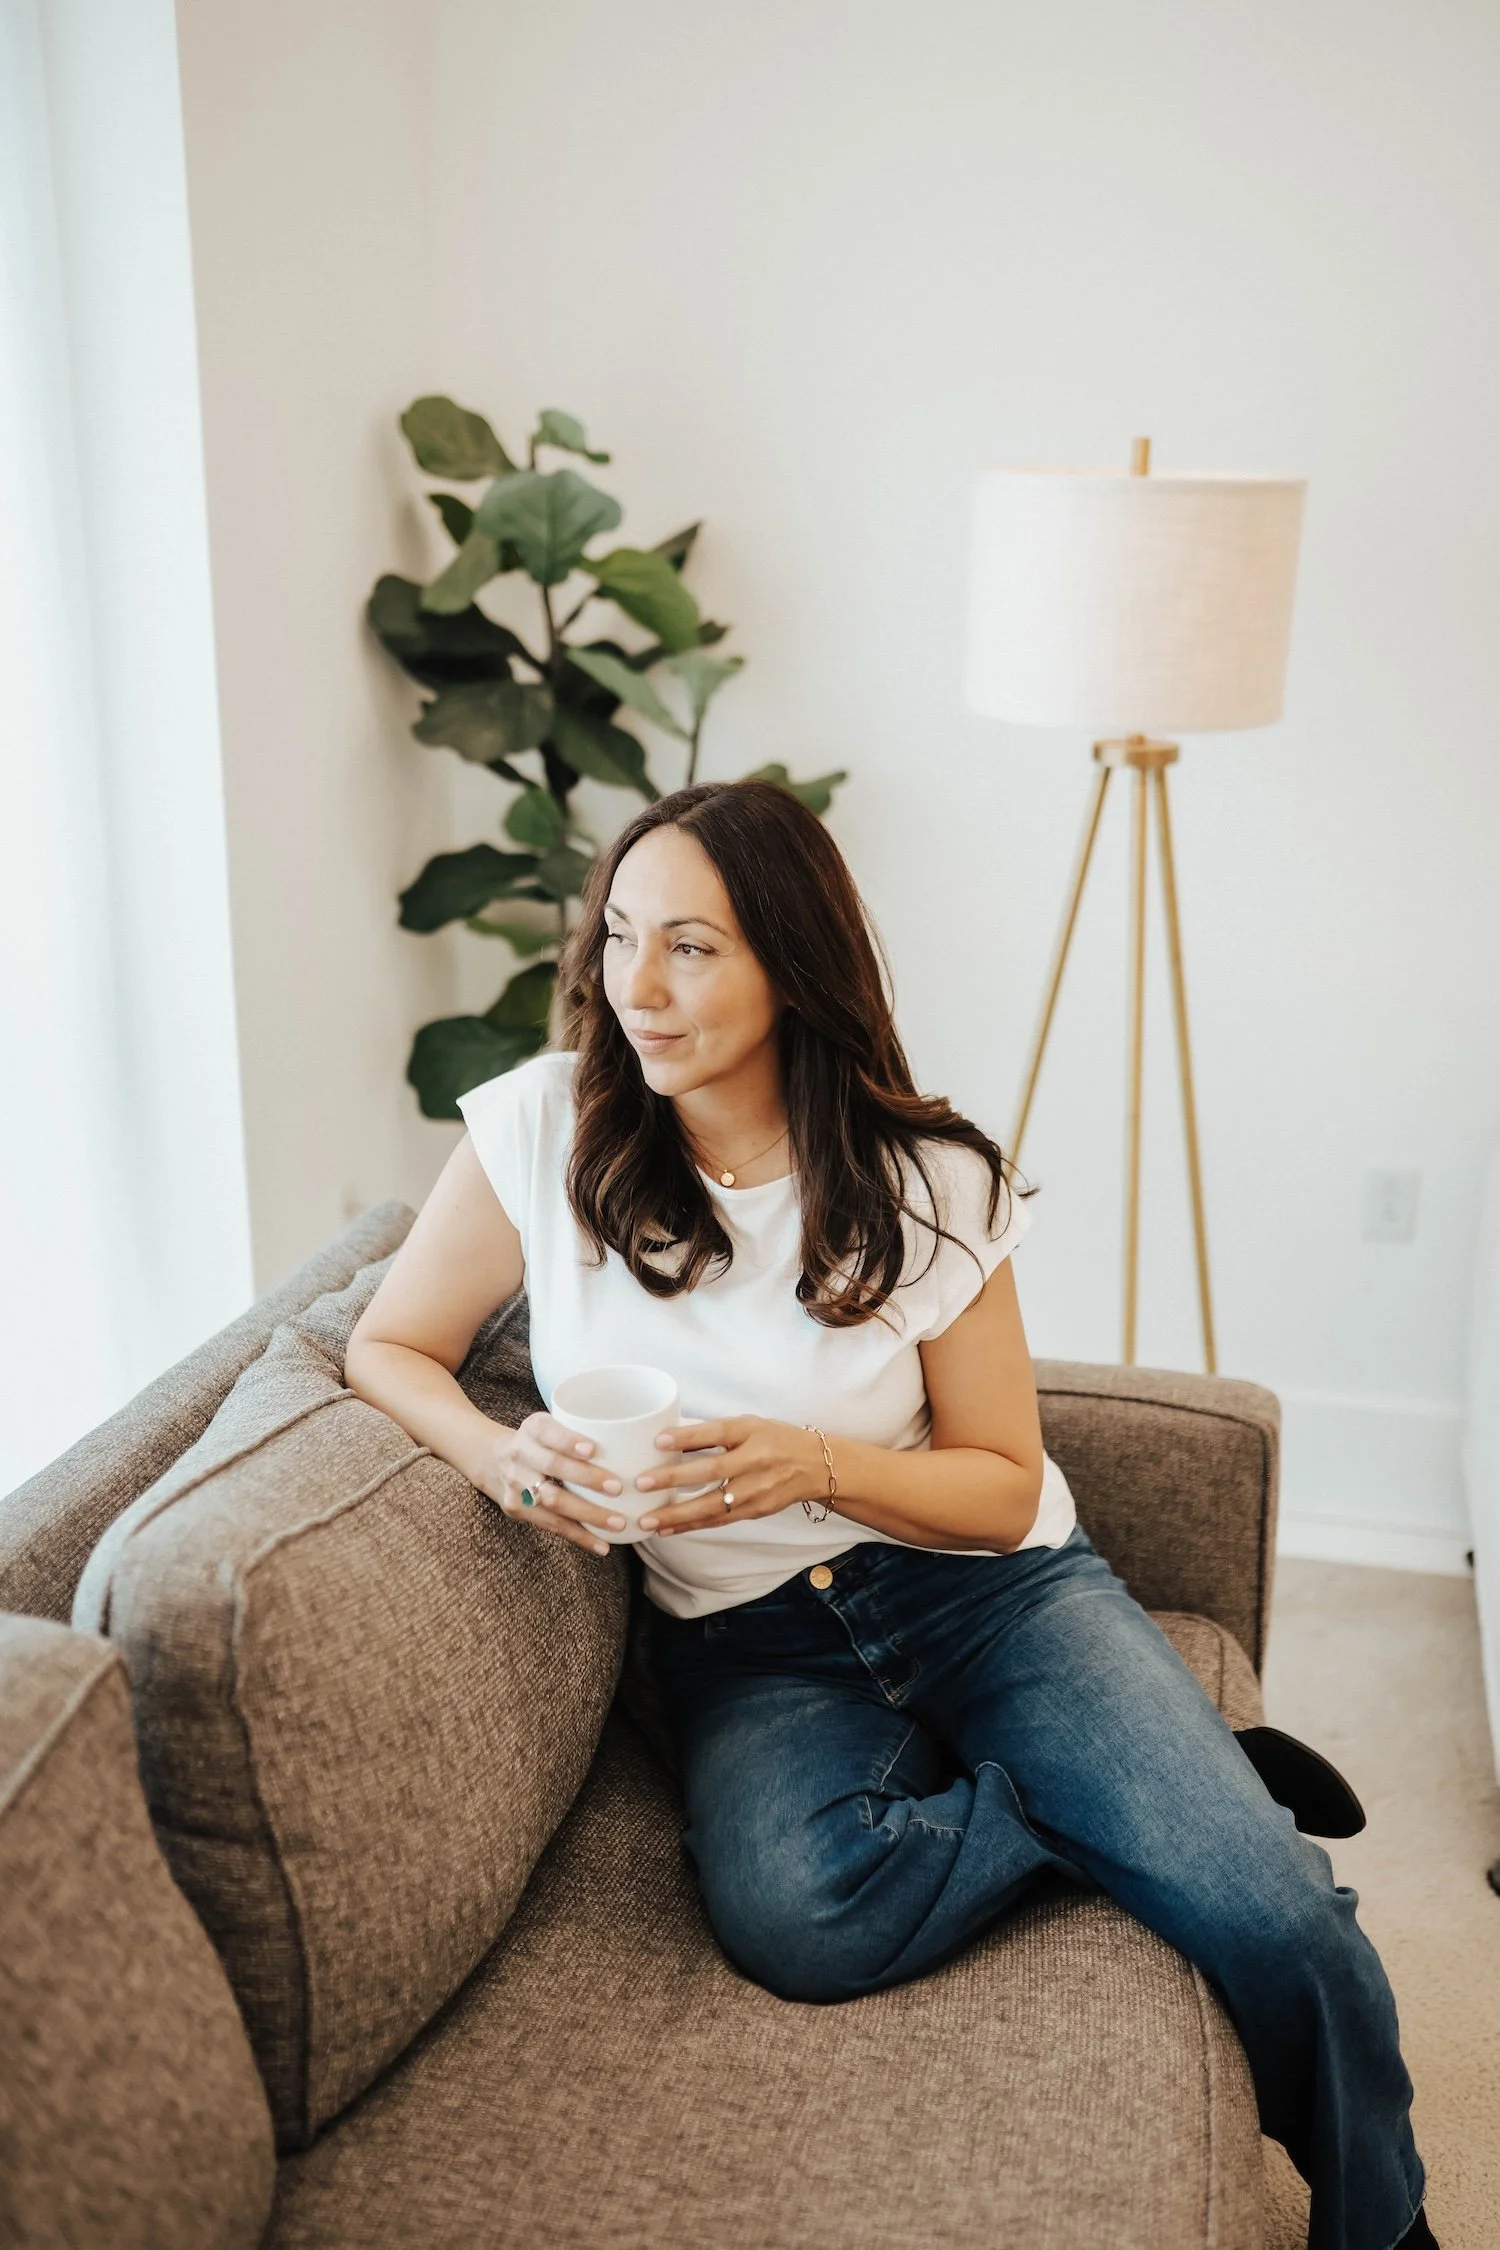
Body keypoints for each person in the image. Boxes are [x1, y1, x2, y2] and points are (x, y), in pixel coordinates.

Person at [345, 780, 1436, 2250]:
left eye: (691, 946)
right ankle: (1156, 1795)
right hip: (744, 1647)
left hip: (988, 1595)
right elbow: (386, 1346)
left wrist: (815, 1463)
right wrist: (499, 1458)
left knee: (1279, 1925)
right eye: (618, 937)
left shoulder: (932, 1177)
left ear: (792, 965)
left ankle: (1385, 2223)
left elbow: (996, 1483)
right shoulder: (546, 1130)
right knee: (804, 1916)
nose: (637, 986)